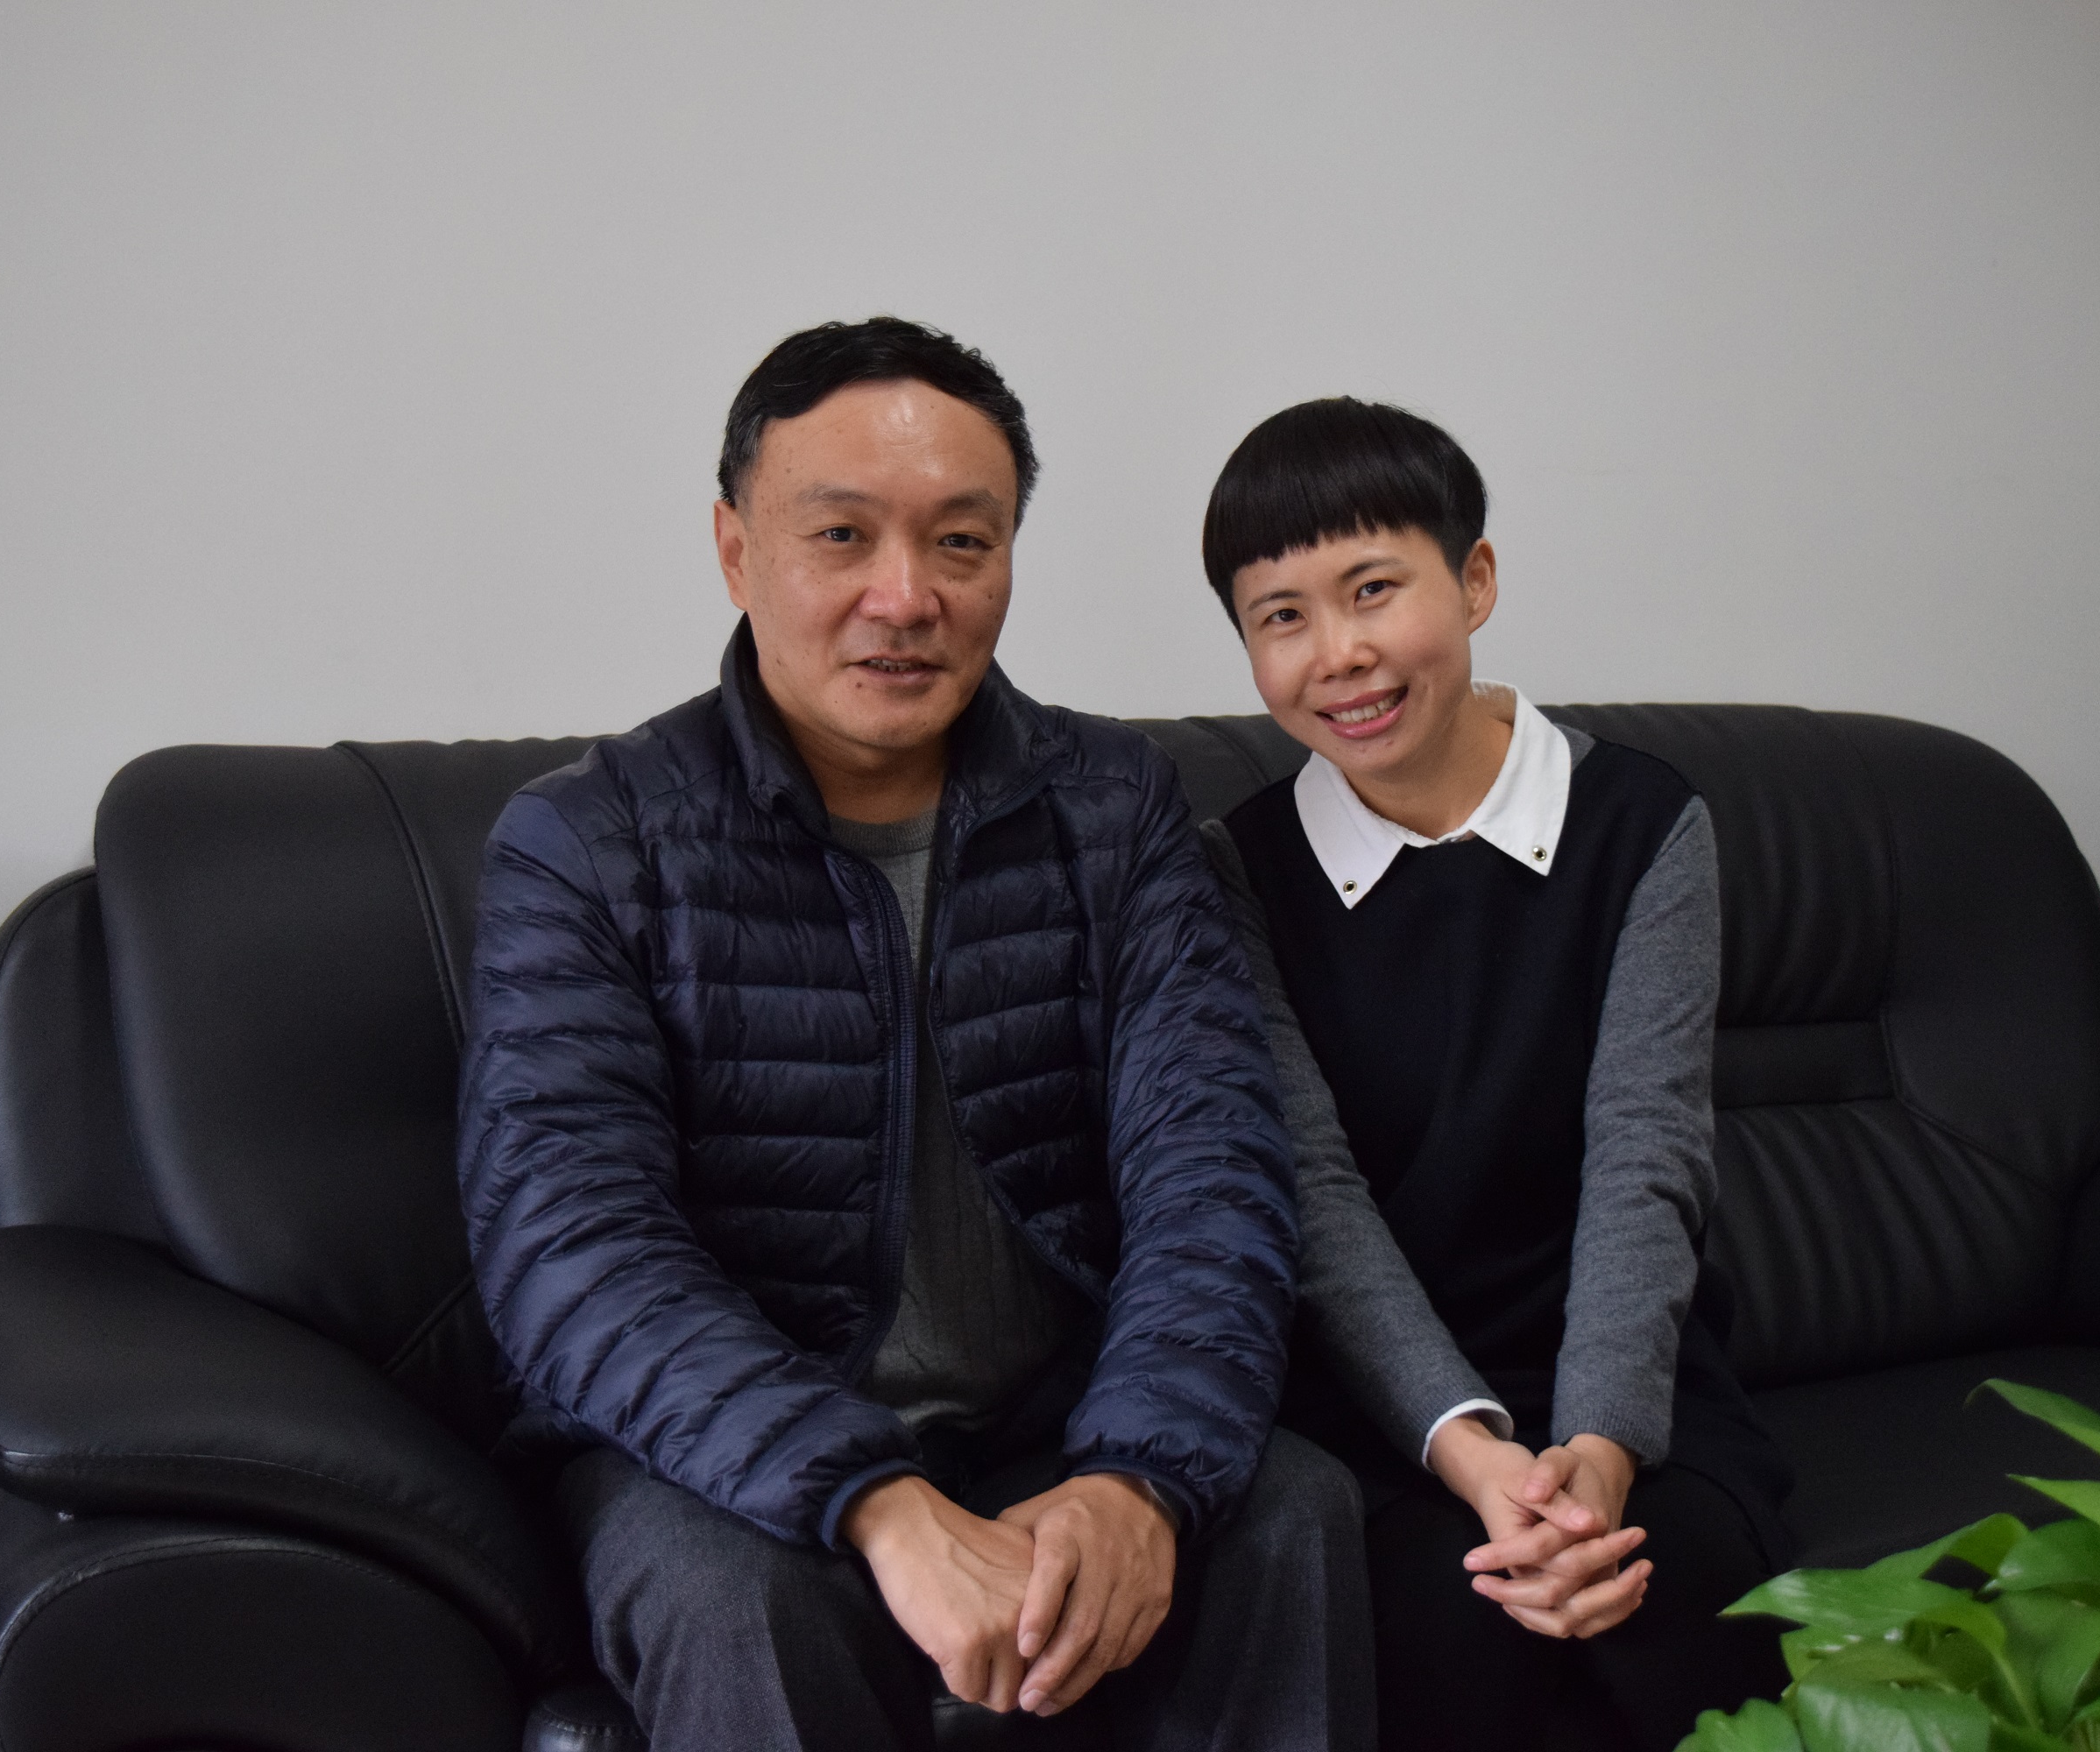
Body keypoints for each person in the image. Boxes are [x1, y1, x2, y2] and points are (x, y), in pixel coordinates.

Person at [459, 318, 1369, 1750]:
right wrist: (875, 1501)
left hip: (1054, 1420)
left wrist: (1135, 1475)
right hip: (714, 1452)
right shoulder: (588, 842)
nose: (906, 597)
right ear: (734, 548)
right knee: (743, 1600)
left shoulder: (1114, 807)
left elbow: (1213, 1171)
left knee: (1291, 1511)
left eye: (962, 542)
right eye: (841, 536)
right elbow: (570, 1245)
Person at [1193, 398, 1797, 1749]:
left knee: (1672, 1613)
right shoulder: (1236, 871)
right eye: (1281, 616)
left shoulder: (1644, 823)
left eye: (1372, 590)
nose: (1338, 653)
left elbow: (1646, 1162)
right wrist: (1474, 1453)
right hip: (1381, 1409)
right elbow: (1315, 1198)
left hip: (1628, 1383)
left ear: (1473, 581)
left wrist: (1599, 1451)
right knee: (1466, 1640)